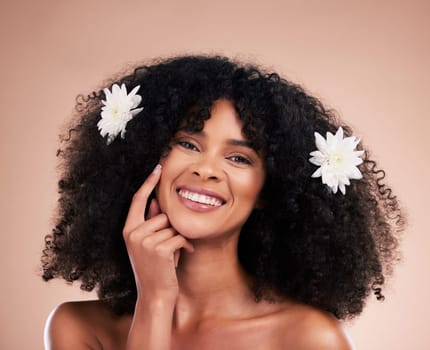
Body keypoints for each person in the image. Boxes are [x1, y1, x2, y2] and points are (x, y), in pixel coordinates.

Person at [41, 55, 404, 349]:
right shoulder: (80, 329)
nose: (207, 170)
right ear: (147, 157)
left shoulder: (307, 338)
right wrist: (154, 301)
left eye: (239, 159)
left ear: (266, 191)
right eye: (188, 144)